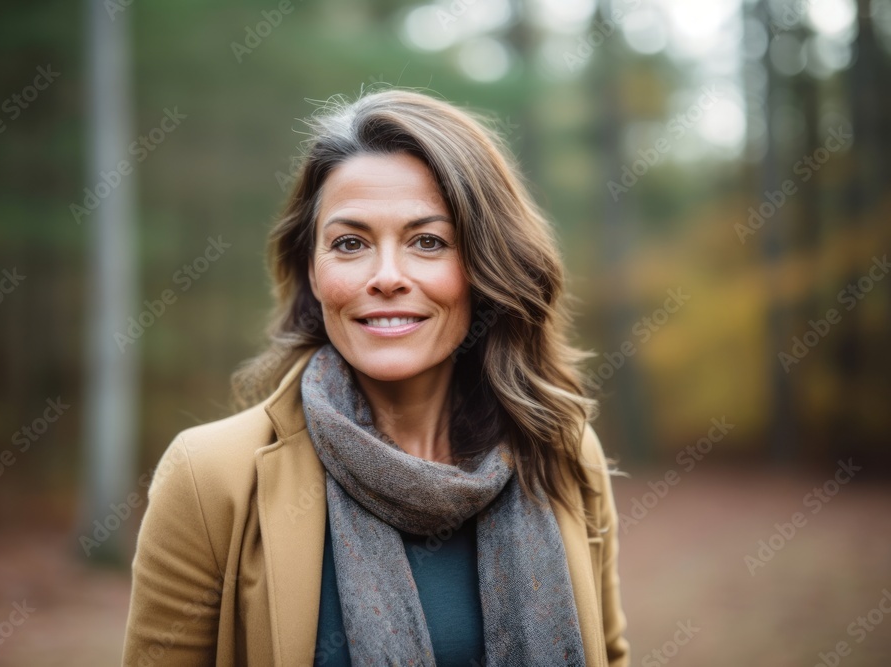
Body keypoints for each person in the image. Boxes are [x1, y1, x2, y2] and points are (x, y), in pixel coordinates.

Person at [122, 88, 629, 666]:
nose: (387, 276)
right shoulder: (210, 478)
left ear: (487, 267)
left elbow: (608, 655)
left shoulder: (561, 452)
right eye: (350, 243)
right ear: (312, 270)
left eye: (428, 242)